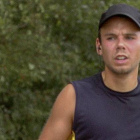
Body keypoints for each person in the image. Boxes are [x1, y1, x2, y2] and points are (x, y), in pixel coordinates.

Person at [39, 3, 140, 140]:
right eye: (111, 37)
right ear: (99, 46)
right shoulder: (74, 97)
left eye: (129, 37)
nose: (120, 45)